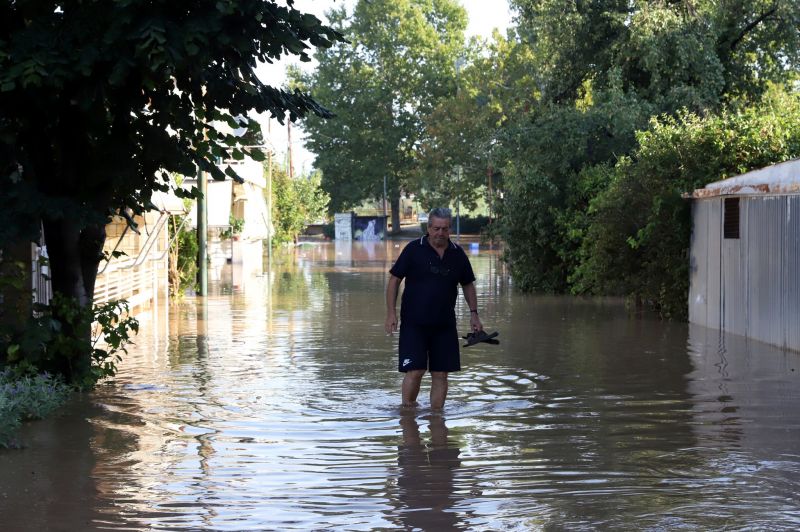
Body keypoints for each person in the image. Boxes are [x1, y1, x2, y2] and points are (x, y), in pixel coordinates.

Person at [385, 207, 483, 410]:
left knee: (441, 373)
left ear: (450, 229)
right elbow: (395, 280)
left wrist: (474, 314)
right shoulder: (413, 249)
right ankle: (408, 412)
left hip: (444, 324)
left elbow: (468, 284)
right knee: (416, 370)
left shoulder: (457, 253)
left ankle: (437, 418)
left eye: (445, 229)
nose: (440, 233)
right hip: (414, 323)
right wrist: (391, 313)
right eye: (436, 228)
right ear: (428, 227)